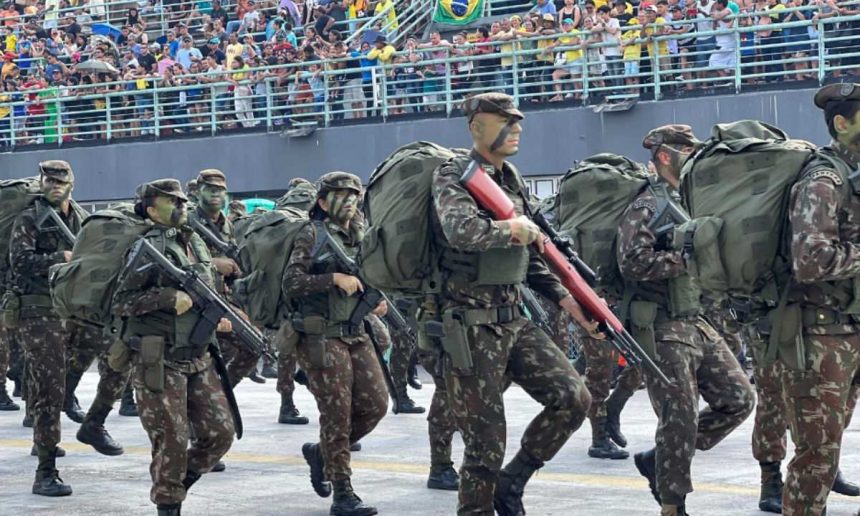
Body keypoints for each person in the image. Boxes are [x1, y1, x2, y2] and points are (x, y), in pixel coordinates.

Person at [431, 92, 597, 515]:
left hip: (512, 320)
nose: (516, 128)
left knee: (573, 397)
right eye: (505, 121)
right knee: (485, 443)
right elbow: (460, 230)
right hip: (469, 326)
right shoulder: (454, 173)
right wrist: (513, 229)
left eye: (517, 121)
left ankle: (512, 482)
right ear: (476, 127)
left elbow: (531, 255)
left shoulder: (510, 179)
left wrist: (567, 299)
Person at [617, 125, 755, 515]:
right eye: (686, 150)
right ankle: (672, 504)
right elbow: (631, 261)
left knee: (739, 399)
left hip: (696, 320)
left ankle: (657, 458)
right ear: (665, 156)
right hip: (660, 324)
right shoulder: (648, 204)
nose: (694, 156)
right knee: (679, 417)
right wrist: (685, 258)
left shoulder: (693, 199)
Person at [111, 179, 235, 516]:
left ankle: (174, 486)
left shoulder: (194, 240)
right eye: (172, 202)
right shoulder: (144, 248)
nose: (181, 206)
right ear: (152, 210)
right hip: (160, 358)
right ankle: (168, 503)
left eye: (182, 201)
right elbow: (120, 301)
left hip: (198, 355)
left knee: (221, 433)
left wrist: (224, 314)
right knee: (172, 440)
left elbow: (210, 289)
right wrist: (168, 297)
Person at [285, 172, 388, 516]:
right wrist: (333, 278)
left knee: (376, 404)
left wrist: (375, 297)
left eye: (353, 195)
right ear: (323, 202)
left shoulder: (359, 233)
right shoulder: (311, 234)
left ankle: (321, 453)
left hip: (356, 331)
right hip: (321, 336)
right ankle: (343, 493)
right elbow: (291, 283)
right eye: (340, 195)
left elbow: (370, 273)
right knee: (337, 415)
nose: (349, 201)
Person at [778, 83, 860, 516]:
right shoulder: (823, 180)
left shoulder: (853, 176)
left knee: (829, 445)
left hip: (849, 328)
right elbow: (809, 260)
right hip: (820, 335)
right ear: (842, 123)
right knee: (816, 453)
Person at [9, 160, 88, 497]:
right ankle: (45, 471)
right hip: (37, 312)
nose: (54, 185)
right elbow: (20, 262)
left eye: (60, 181)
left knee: (79, 364)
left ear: (71, 184)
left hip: (71, 310)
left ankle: (58, 420)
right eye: (49, 180)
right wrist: (61, 257)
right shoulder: (30, 218)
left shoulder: (80, 218)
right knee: (48, 387)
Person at [187, 169, 259, 386]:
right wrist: (213, 264)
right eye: (209, 189)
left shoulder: (227, 225)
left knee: (254, 345)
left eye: (219, 190)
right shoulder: (187, 220)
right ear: (198, 192)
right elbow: (176, 259)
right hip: (195, 299)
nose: (215, 194)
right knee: (195, 356)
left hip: (222, 298)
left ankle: (222, 391)